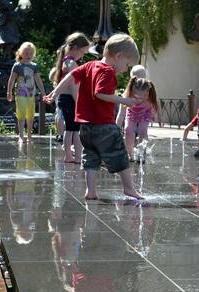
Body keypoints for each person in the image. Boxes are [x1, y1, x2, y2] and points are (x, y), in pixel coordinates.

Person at [44, 33, 142, 201]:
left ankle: (91, 191)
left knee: (91, 158)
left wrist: (55, 92)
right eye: (126, 64)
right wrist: (123, 100)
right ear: (118, 56)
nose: (125, 69)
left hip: (86, 127)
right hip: (104, 125)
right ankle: (129, 188)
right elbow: (100, 93)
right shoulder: (107, 72)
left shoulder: (90, 65)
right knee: (120, 155)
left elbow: (70, 76)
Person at [52, 32, 92, 164]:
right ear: (75, 48)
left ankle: (68, 156)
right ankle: (79, 157)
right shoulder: (71, 64)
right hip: (72, 100)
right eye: (83, 52)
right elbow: (75, 87)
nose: (83, 55)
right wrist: (79, 102)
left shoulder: (65, 61)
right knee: (77, 130)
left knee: (69, 129)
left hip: (64, 99)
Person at [6, 41, 46, 144]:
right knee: (21, 113)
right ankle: (21, 136)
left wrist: (43, 92)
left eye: (31, 53)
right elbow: (11, 79)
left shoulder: (34, 66)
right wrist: (9, 92)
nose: (28, 55)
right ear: (21, 53)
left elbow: (38, 80)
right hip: (20, 94)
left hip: (31, 94)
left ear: (34, 54)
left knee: (30, 114)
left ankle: (29, 135)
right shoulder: (17, 66)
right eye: (26, 53)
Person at [115, 77, 161, 161]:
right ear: (131, 92)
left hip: (145, 113)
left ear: (147, 94)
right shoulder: (126, 96)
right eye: (135, 97)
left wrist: (159, 117)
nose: (137, 100)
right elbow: (121, 114)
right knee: (128, 130)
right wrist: (116, 128)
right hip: (132, 113)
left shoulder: (151, 97)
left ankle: (141, 153)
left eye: (141, 98)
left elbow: (157, 105)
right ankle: (130, 154)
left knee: (142, 130)